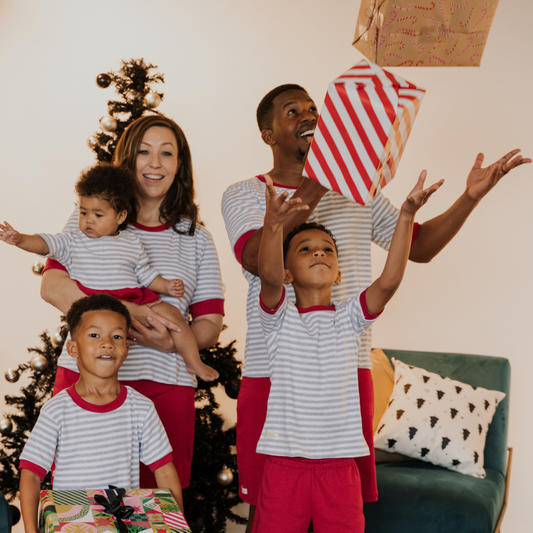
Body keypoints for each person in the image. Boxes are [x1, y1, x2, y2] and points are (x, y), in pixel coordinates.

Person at [221, 83, 530, 530]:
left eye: (314, 109)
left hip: (348, 370)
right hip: (276, 371)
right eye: (293, 111)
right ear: (268, 133)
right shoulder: (247, 194)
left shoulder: (358, 193)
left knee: (342, 507)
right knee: (267, 511)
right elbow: (256, 260)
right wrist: (329, 170)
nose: (309, 116)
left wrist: (470, 197)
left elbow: (418, 248)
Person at [40, 114, 225, 490]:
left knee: (158, 509)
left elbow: (209, 324)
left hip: (165, 387)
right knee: (81, 502)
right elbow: (53, 287)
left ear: (180, 166)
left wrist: (169, 342)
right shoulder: (90, 219)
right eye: (144, 151)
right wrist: (128, 314)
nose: (155, 163)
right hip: (85, 381)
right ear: (128, 159)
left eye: (167, 153)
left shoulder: (196, 239)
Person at [253, 173, 441, 532]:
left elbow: (388, 281)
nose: (319, 252)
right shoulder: (279, 317)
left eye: (327, 248)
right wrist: (273, 225)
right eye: (305, 249)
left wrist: (405, 216)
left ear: (339, 274)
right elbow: (268, 276)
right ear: (289, 272)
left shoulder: (350, 317)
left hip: (339, 468)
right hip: (284, 466)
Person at [0, 163, 218, 382]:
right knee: (99, 337)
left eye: (98, 214)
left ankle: (193, 361)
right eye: (83, 212)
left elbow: (145, 274)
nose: (88, 220)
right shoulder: (73, 241)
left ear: (120, 217)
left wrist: (166, 286)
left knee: (173, 315)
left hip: (135, 297)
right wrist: (20, 239)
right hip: (99, 301)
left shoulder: (131, 241)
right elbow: (45, 243)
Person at [19, 295, 183, 533]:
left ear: (126, 349)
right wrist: (31, 530)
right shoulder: (57, 410)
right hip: (71, 524)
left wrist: (176, 525)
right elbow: (31, 473)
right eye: (94, 335)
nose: (107, 343)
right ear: (73, 348)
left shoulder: (141, 408)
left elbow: (165, 471)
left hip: (121, 524)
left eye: (116, 336)